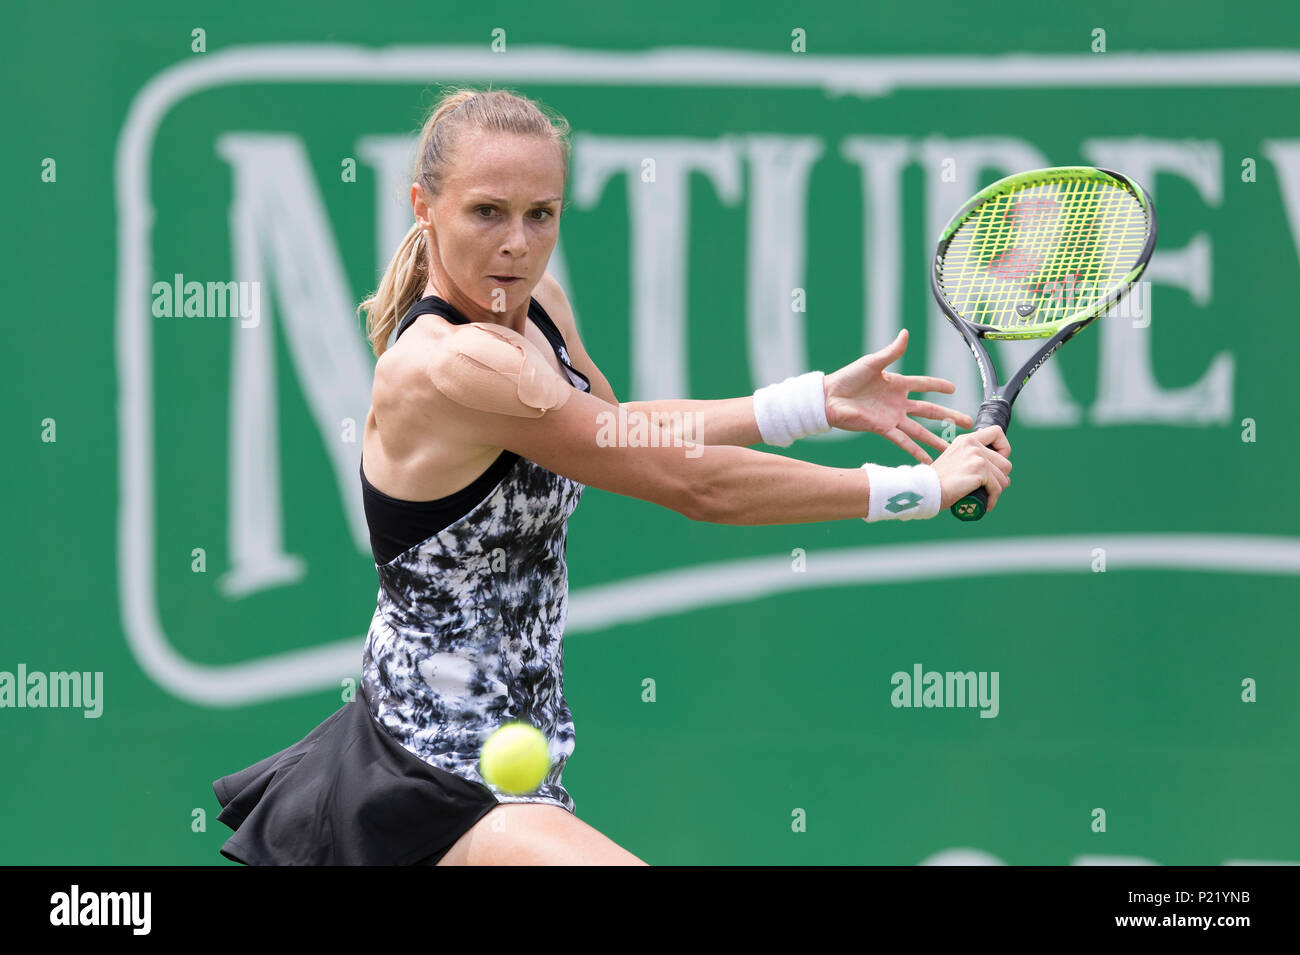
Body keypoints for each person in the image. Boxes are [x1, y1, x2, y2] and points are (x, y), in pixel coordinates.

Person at [212, 86, 1012, 867]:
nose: (517, 244)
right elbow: (691, 484)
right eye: (486, 211)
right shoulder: (453, 366)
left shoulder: (540, 308)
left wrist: (814, 402)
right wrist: (914, 489)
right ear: (424, 205)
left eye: (541, 214)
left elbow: (626, 430)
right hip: (430, 776)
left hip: (514, 762)